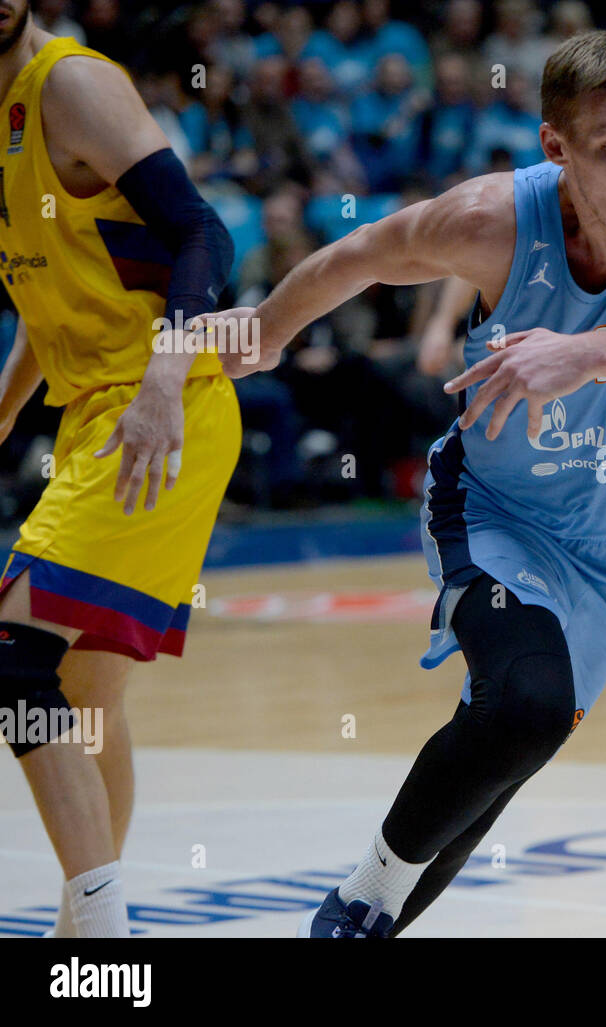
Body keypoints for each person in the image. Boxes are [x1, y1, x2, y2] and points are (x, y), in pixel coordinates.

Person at [203, 29, 606, 937]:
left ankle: (371, 914)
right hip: (497, 512)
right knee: (520, 713)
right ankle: (351, 905)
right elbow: (359, 253)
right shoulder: (493, 221)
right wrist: (267, 331)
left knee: (489, 780)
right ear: (555, 149)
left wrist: (592, 353)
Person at [0, 3, 237, 936]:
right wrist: (11, 401)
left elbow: (203, 235)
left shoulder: (70, 83)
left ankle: (102, 934)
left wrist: (165, 378)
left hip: (157, 409)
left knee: (15, 661)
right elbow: (57, 287)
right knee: (89, 698)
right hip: (99, 411)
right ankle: (83, 927)